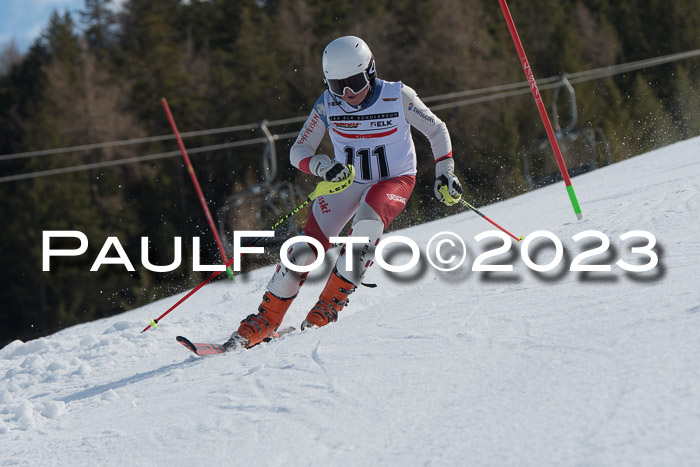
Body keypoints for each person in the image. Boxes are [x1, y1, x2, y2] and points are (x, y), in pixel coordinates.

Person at [224, 36, 463, 350]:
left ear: (370, 71)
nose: (348, 93)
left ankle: (327, 307)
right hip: (347, 181)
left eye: (354, 82)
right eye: (339, 86)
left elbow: (437, 129)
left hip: (394, 180)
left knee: (364, 228)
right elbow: (299, 151)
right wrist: (322, 166)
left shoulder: (397, 96)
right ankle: (265, 320)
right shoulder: (327, 104)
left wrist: (445, 171)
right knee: (304, 250)